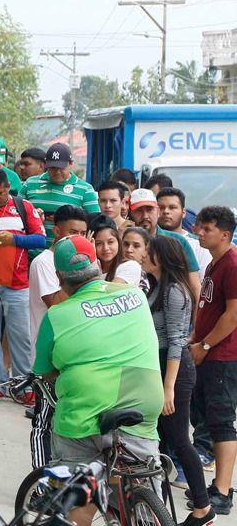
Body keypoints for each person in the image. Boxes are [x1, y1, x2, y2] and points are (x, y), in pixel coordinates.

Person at [33, 235, 164, 526]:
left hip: (86, 409)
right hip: (144, 402)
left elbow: (44, 370)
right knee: (143, 471)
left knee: (80, 491)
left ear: (58, 277)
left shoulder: (56, 315)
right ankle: (147, 508)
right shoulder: (135, 295)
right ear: (96, 264)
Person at [142, 236, 215, 526]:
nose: (145, 255)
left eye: (150, 252)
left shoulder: (174, 291)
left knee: (179, 441)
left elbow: (175, 342)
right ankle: (156, 504)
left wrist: (168, 388)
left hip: (174, 369)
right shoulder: (156, 286)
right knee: (160, 439)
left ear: (164, 258)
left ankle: (203, 508)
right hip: (159, 367)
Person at [0, 169, 46, 404]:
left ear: (7, 189)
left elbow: (41, 239)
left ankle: (23, 384)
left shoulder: (23, 207)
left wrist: (13, 239)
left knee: (21, 336)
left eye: (0, 193)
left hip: (17, 282)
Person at [26, 206, 88, 469]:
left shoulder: (81, 263)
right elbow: (57, 303)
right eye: (73, 232)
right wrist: (88, 278)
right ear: (57, 231)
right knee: (44, 422)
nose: (78, 239)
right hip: (47, 356)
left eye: (84, 233)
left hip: (75, 355)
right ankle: (40, 480)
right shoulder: (44, 262)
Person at [190, 206, 237, 515]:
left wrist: (206, 344)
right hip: (206, 352)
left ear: (224, 233)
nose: (199, 232)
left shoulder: (233, 264)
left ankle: (222, 490)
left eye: (206, 229)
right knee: (206, 418)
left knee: (222, 423)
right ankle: (216, 485)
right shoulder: (213, 264)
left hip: (223, 355)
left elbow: (233, 314)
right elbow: (207, 307)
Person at [19, 143, 99, 246]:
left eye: (61, 168)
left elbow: (95, 223)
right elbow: (15, 214)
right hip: (32, 253)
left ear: (71, 164)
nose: (57, 172)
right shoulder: (30, 184)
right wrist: (32, 217)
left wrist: (66, 220)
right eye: (52, 168)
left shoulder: (85, 189)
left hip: (69, 255)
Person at [129, 188, 201, 299]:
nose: (145, 216)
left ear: (158, 212)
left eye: (149, 210)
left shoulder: (177, 242)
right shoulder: (124, 242)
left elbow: (195, 287)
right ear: (130, 214)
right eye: (139, 211)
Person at [158, 187, 212, 278]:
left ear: (183, 213)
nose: (166, 211)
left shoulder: (199, 245)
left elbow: (204, 282)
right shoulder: (147, 240)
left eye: (172, 207)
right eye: (161, 208)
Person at [88, 215, 142, 286]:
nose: (106, 248)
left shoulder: (130, 266)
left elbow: (109, 293)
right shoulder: (87, 269)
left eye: (110, 242)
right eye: (99, 243)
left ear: (118, 241)